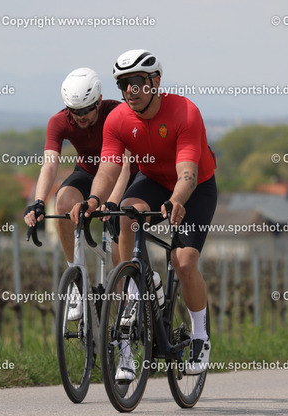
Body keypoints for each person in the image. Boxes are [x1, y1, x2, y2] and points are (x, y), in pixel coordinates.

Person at [70, 50, 217, 378]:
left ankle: (200, 335)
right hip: (152, 181)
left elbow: (188, 172)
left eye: (136, 82)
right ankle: (137, 285)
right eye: (123, 84)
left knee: (184, 262)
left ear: (155, 81)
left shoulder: (184, 112)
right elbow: (108, 168)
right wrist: (94, 199)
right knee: (126, 215)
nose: (130, 91)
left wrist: (176, 200)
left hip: (194, 188)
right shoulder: (118, 119)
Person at [24, 67, 135, 320]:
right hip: (88, 172)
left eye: (86, 110)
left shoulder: (118, 113)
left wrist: (112, 202)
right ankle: (77, 283)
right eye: (75, 111)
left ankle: (131, 302)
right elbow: (50, 164)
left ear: (99, 101)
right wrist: (38, 201)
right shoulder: (59, 122)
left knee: (118, 251)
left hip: (123, 173)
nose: (81, 117)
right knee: (62, 204)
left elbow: (127, 164)